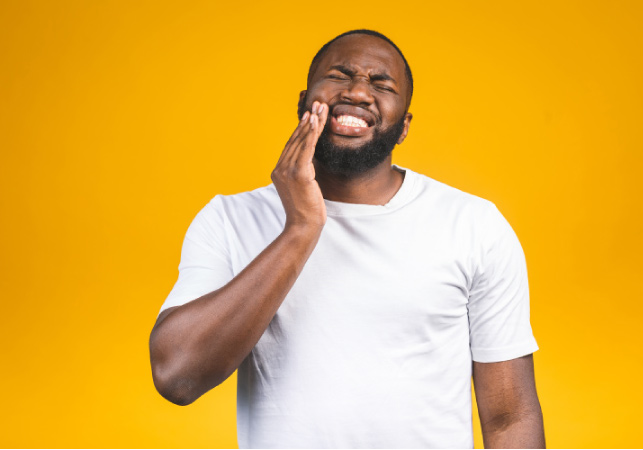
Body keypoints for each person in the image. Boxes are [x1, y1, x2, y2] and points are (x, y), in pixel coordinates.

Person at [149, 29, 545, 449]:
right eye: (339, 75)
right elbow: (177, 376)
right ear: (303, 102)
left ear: (404, 125)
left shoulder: (473, 225)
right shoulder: (229, 219)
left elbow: (509, 417)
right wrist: (301, 228)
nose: (358, 92)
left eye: (381, 84)